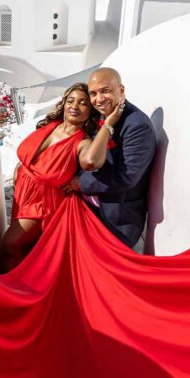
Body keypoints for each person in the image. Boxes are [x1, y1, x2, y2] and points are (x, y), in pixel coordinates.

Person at [0, 83, 124, 271]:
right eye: (71, 100)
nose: (75, 106)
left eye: (83, 103)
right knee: (26, 250)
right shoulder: (50, 126)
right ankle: (24, 283)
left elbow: (91, 161)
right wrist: (21, 166)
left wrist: (108, 124)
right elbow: (33, 156)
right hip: (23, 194)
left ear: (90, 112)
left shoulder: (82, 142)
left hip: (43, 204)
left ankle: (13, 290)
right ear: (63, 103)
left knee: (10, 245)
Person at [64, 67, 156, 251]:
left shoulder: (137, 125)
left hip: (116, 221)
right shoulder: (99, 115)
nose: (99, 99)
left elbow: (127, 177)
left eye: (105, 91)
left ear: (120, 90)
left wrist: (80, 183)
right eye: (93, 93)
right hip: (87, 210)